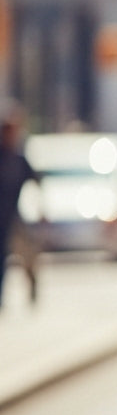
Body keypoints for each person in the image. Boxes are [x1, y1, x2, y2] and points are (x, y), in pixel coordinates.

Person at [0, 111, 36, 312]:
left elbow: (35, 181)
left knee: (27, 254)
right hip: (2, 217)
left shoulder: (20, 159)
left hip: (14, 216)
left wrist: (41, 209)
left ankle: (32, 284)